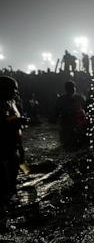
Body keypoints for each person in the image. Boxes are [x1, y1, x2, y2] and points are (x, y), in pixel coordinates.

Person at [0, 76, 29, 230]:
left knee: (17, 172)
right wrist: (17, 121)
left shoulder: (12, 102)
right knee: (4, 182)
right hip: (3, 150)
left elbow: (12, 121)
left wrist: (20, 146)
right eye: (12, 89)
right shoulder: (1, 104)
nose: (15, 91)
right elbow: (5, 122)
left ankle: (10, 207)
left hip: (14, 146)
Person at [55, 81, 86, 150]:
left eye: (72, 89)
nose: (71, 90)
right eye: (70, 89)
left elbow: (86, 110)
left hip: (76, 124)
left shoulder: (80, 98)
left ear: (75, 88)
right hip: (66, 124)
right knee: (66, 146)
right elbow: (56, 112)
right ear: (66, 90)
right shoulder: (61, 99)